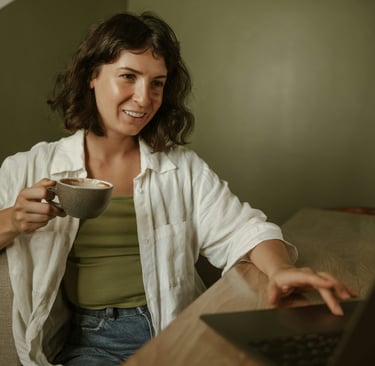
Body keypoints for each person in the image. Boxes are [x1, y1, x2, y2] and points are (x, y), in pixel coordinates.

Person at [0, 11, 356, 366]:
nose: (144, 98)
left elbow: (244, 229)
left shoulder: (181, 168)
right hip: (93, 342)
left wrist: (279, 269)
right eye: (128, 76)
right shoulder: (27, 168)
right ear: (92, 76)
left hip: (179, 327)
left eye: (157, 83)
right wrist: (14, 219)